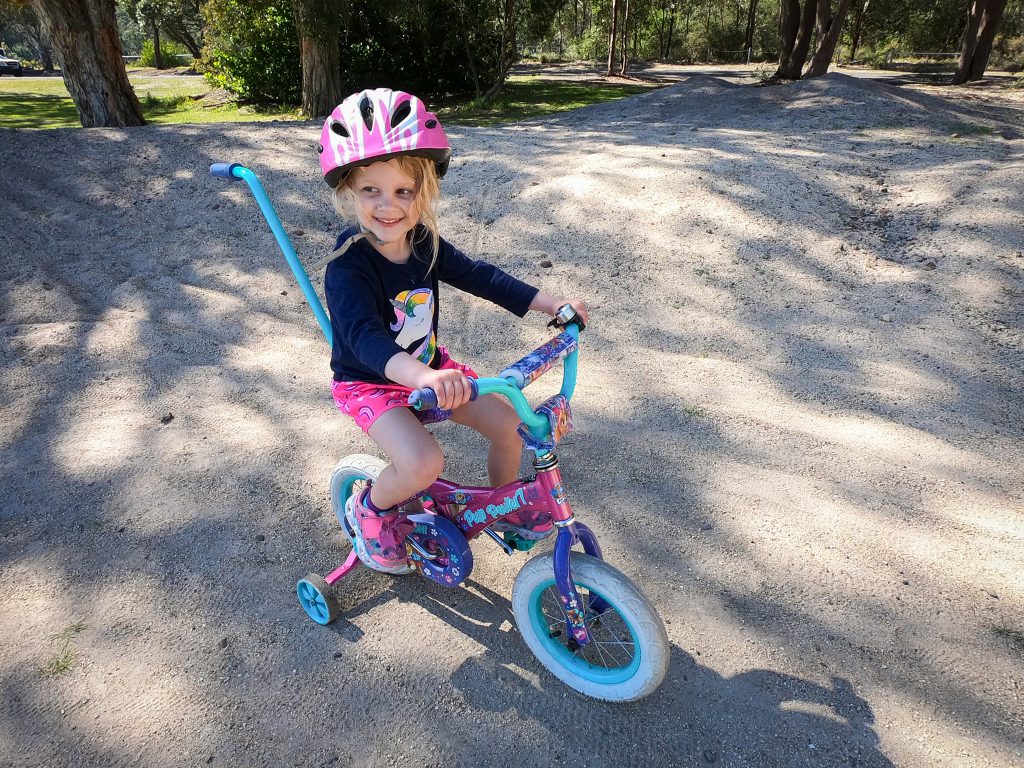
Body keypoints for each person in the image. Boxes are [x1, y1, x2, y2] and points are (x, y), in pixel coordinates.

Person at [318, 88, 588, 573]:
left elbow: (482, 277)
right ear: (347, 192)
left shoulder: (424, 241)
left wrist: (553, 304)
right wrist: (421, 378)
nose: (389, 206)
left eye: (404, 191)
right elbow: (365, 338)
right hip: (373, 383)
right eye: (370, 191)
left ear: (425, 192)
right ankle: (371, 511)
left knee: (512, 427)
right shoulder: (348, 266)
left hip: (430, 371)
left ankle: (501, 507)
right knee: (424, 464)